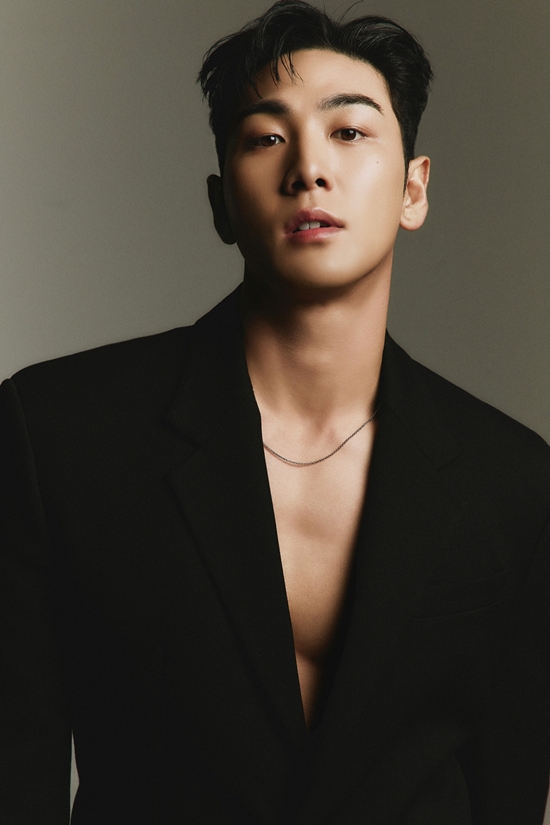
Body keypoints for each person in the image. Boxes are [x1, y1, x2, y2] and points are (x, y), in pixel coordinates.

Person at [1, 1, 549, 822]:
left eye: (349, 131)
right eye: (266, 137)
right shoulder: (57, 435)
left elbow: (507, 787)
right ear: (222, 203)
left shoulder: (513, 480)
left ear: (414, 189)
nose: (309, 168)